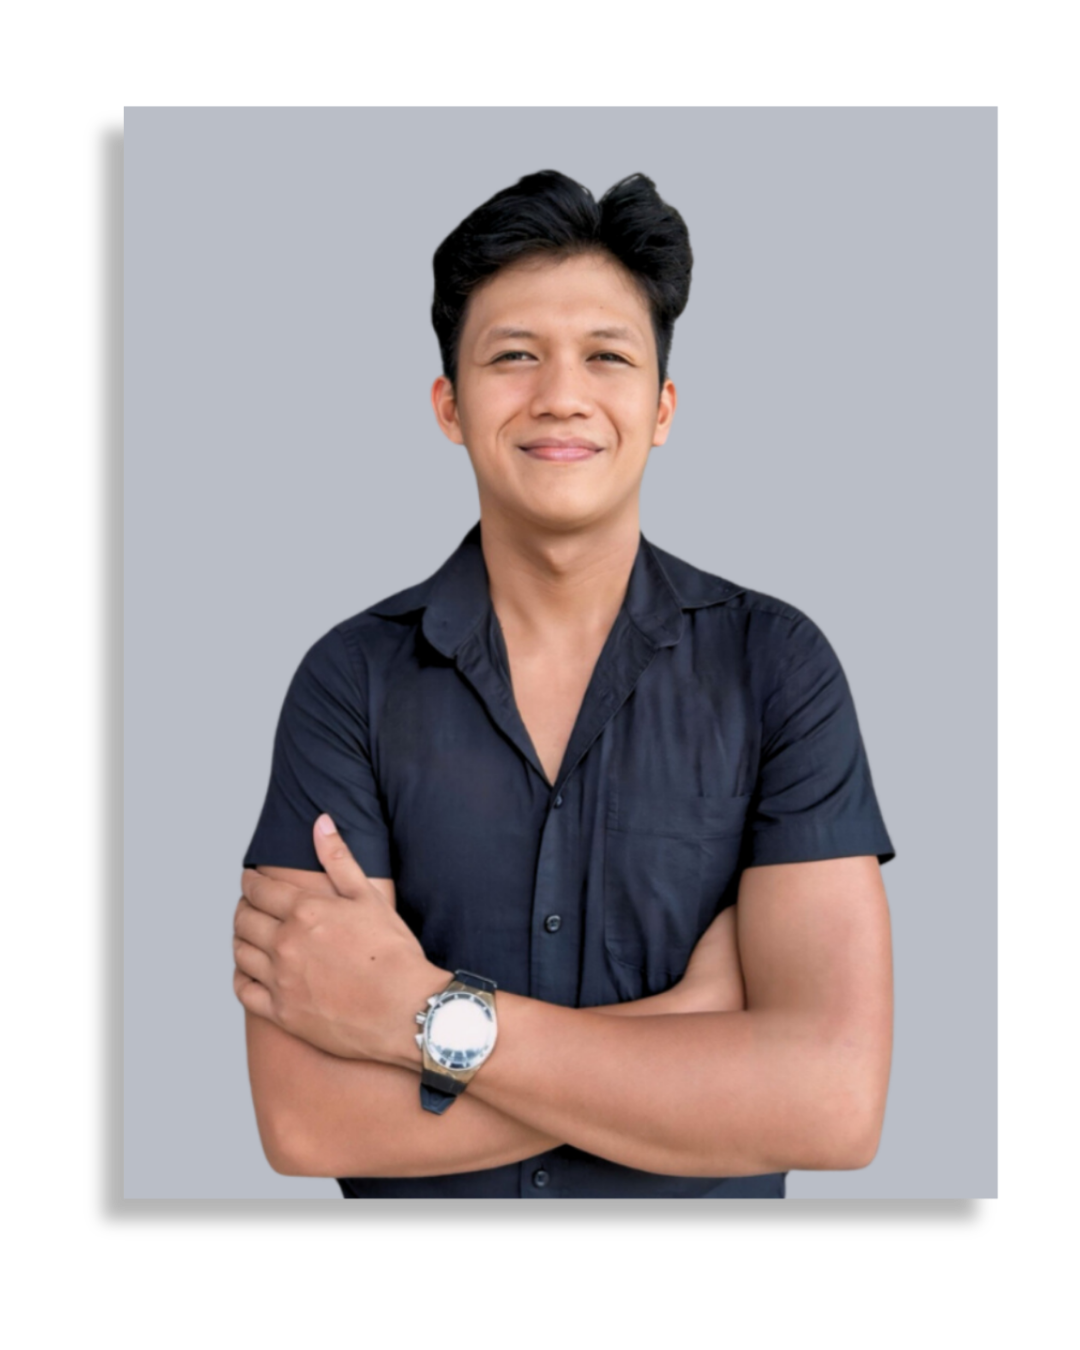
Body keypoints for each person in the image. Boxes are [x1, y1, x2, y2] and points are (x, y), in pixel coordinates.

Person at [232, 169, 896, 1200]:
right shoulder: (348, 683)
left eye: (606, 356)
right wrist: (688, 1032)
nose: (561, 396)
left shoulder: (780, 670)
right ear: (450, 404)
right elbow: (307, 1121)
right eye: (514, 357)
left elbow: (834, 1103)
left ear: (662, 406)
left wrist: (414, 1016)